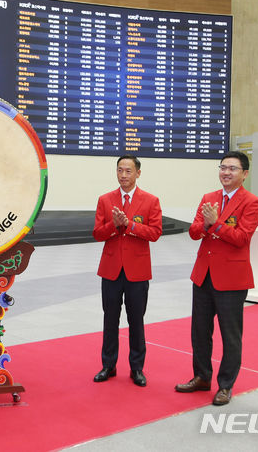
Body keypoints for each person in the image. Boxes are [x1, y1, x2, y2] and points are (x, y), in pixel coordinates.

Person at [175, 151, 258, 405]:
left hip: (232, 279)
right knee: (200, 332)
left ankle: (225, 385)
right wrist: (205, 225)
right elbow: (193, 232)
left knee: (230, 334)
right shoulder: (208, 198)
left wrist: (216, 224)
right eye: (223, 167)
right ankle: (201, 377)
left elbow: (242, 238)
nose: (226, 172)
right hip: (203, 276)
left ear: (244, 174)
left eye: (232, 168)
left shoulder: (252, 202)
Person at [92, 155, 162, 387]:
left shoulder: (151, 201)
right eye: (120, 170)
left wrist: (129, 225)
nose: (123, 175)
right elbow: (97, 233)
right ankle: (108, 365)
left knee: (136, 320)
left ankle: (137, 368)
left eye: (128, 171)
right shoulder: (105, 199)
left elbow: (154, 233)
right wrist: (115, 225)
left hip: (137, 271)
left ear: (138, 173)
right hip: (111, 270)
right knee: (110, 319)